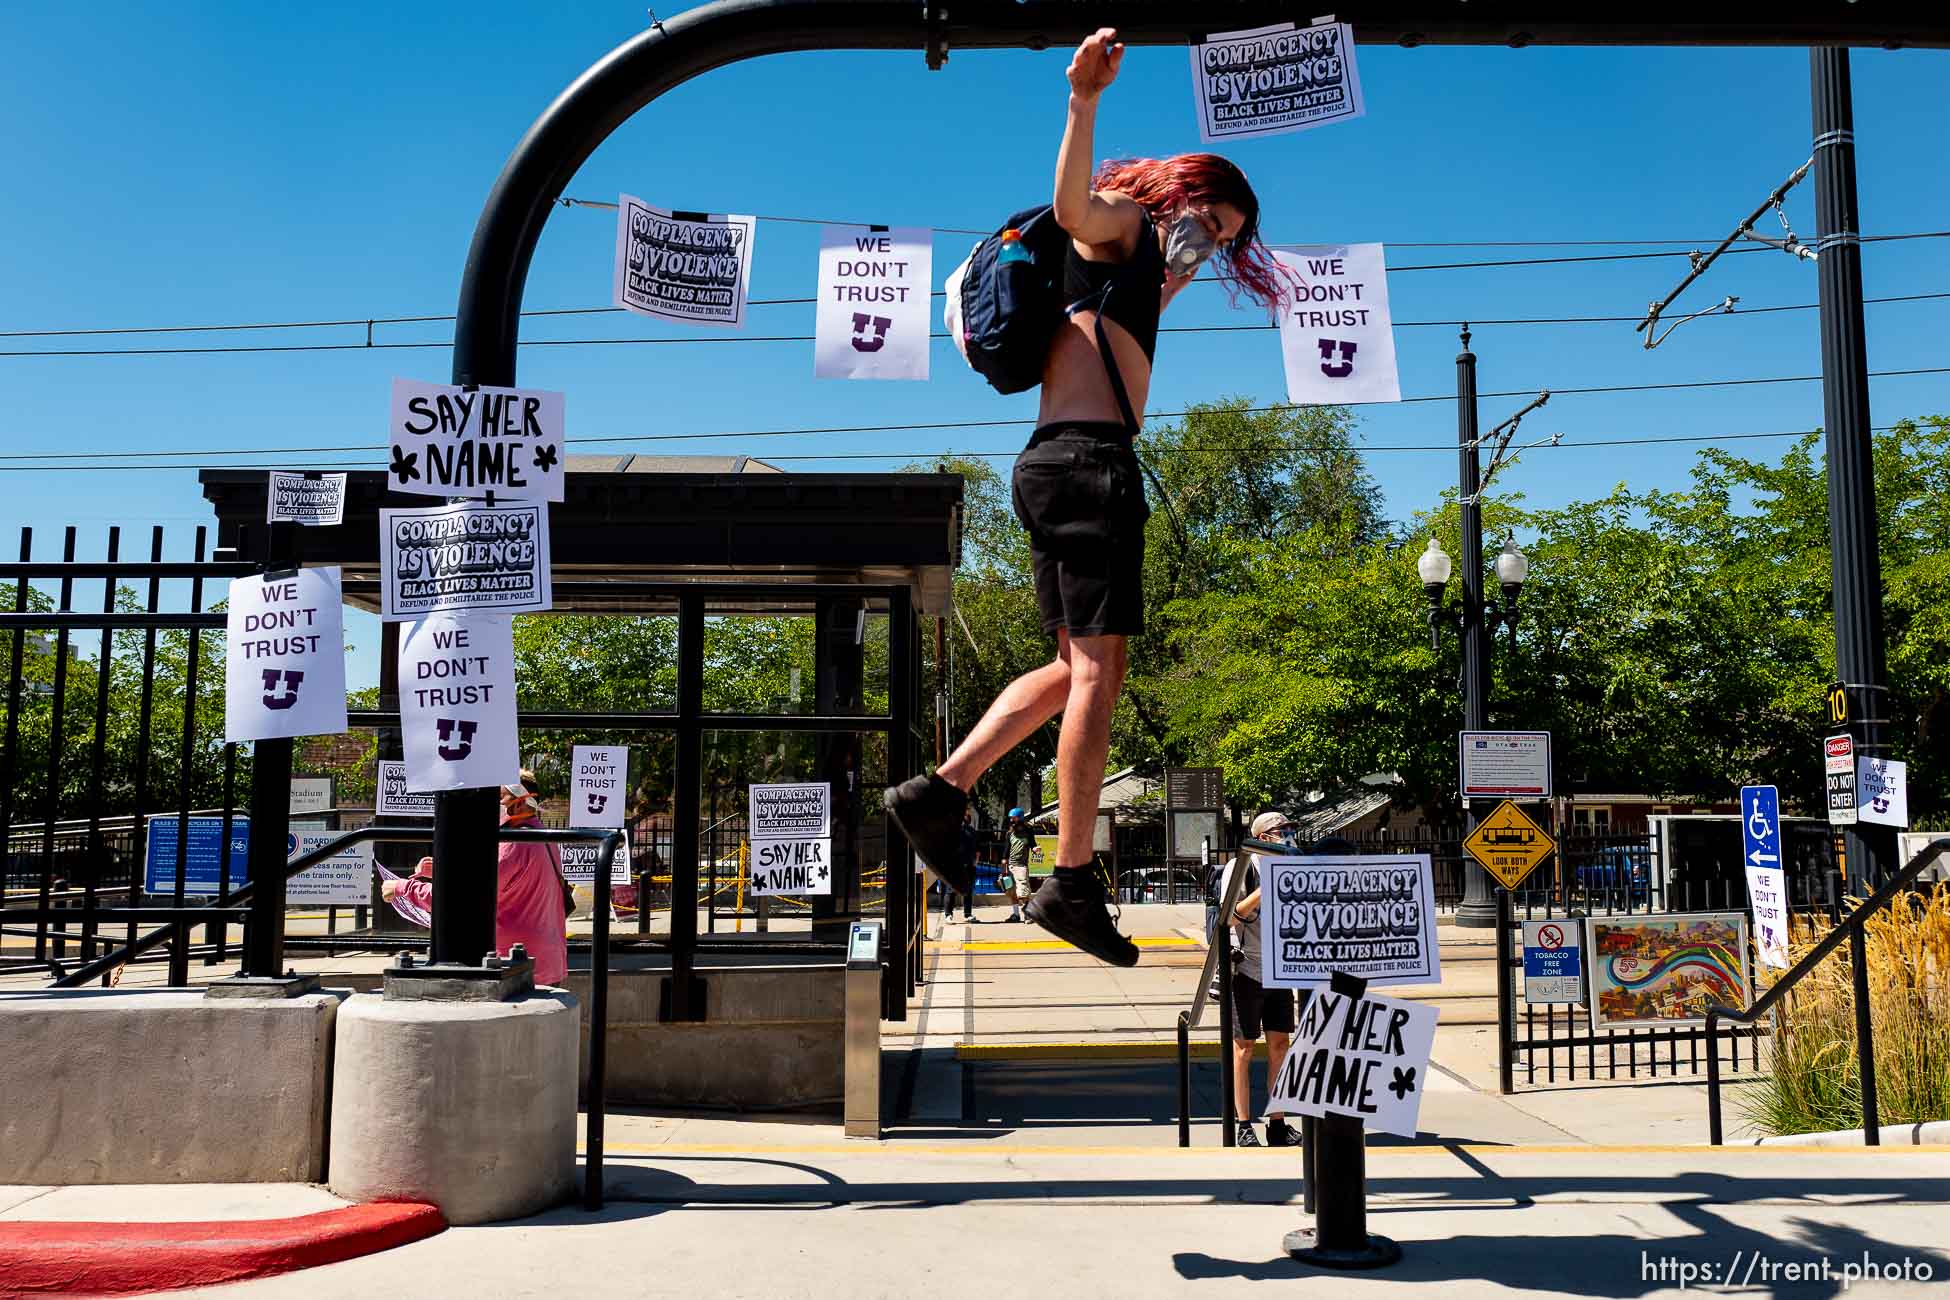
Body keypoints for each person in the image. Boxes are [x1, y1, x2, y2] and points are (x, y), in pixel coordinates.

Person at [884, 28, 1286, 966]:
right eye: (1212, 220)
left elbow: (1124, 324)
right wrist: (1082, 98)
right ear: (1183, 192)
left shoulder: (1132, 266)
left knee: (1070, 668)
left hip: (1051, 462)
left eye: (1223, 238)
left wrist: (1179, 270)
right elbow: (1074, 205)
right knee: (1102, 676)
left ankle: (938, 791)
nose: (1211, 241)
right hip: (1091, 469)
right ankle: (1069, 879)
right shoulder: (1122, 227)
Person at [380, 771, 570, 986]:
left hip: (515, 967)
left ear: (521, 802)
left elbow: (462, 899)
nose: (490, 803)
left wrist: (403, 887)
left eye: (498, 797)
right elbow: (506, 882)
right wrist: (441, 872)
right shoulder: (542, 836)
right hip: (545, 960)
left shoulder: (513, 844)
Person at [1222, 811, 1302, 1147]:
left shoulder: (1293, 867)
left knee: (1280, 1046)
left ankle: (1278, 1122)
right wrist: (1267, 887)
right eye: (1281, 831)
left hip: (1281, 969)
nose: (1288, 836)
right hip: (1248, 970)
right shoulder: (1242, 868)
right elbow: (1229, 917)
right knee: (1243, 1049)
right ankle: (1243, 1123)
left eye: (1290, 830)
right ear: (1263, 836)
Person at [1004, 807, 1034, 923]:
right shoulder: (1010, 833)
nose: (1012, 820)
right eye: (1011, 818)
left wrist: (1035, 848)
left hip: (1021, 865)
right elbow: (1006, 849)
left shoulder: (1028, 831)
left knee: (1023, 891)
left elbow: (1033, 843)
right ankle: (1016, 915)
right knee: (1012, 892)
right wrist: (1004, 864)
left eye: (1014, 818)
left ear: (1020, 818)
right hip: (1011, 865)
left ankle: (1028, 915)